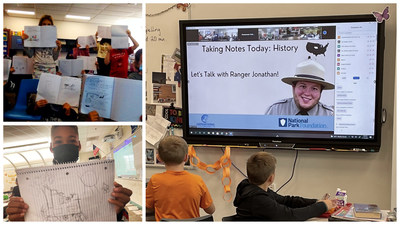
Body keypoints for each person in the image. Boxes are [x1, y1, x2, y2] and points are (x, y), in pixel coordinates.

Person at [6, 125, 132, 221]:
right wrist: (19, 219)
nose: (65, 146)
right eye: (59, 142)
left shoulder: (102, 184)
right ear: (51, 147)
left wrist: (116, 212)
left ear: (79, 145)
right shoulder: (26, 190)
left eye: (72, 141)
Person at [233, 152, 337, 221]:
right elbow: (291, 216)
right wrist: (322, 207)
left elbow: (286, 201)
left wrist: (316, 202)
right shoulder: (258, 199)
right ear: (271, 178)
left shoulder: (252, 188)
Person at [146, 136, 215, 221]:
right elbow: (211, 210)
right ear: (186, 158)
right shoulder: (197, 180)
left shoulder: (155, 180)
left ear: (159, 158)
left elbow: (148, 207)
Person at [265, 59, 334, 116]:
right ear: (293, 87)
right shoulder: (276, 110)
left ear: (320, 92)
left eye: (314, 89)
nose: (307, 93)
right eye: (303, 86)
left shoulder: (330, 115)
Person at [22, 15, 62, 79]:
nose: (46, 26)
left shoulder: (53, 39)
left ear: (52, 26)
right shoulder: (35, 37)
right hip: (38, 69)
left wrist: (59, 48)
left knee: (49, 88)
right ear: (40, 25)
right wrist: (24, 42)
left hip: (51, 69)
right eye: (44, 24)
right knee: (37, 88)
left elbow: (55, 58)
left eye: (49, 24)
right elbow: (30, 55)